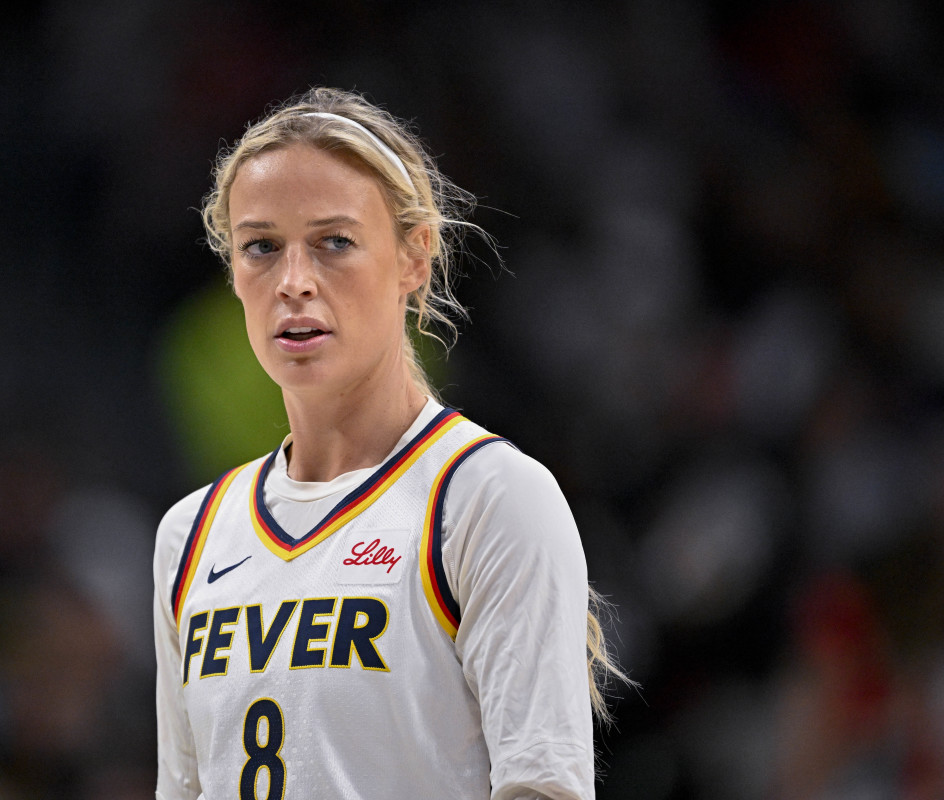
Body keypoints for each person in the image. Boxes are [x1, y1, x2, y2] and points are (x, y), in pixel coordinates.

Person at [153, 87, 625, 800]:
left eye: (334, 242)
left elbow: (543, 788)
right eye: (262, 247)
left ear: (414, 257)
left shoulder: (489, 499)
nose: (294, 282)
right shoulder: (189, 536)